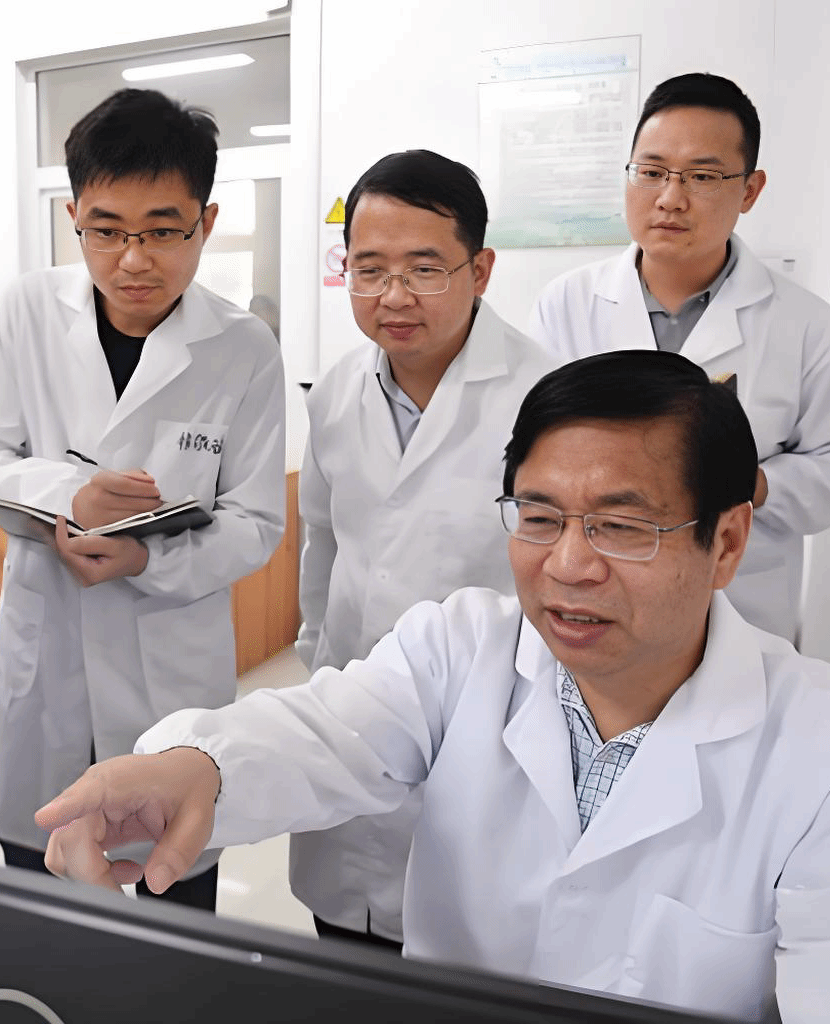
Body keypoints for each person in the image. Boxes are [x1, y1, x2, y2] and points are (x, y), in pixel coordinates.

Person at [36, 350, 830, 1022]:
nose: (568, 566)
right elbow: (324, 732)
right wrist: (193, 766)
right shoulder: (462, 646)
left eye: (621, 527)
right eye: (540, 516)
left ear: (725, 541)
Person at [0, 88, 285, 911]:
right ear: (74, 218)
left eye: (163, 231)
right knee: (39, 899)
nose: (133, 260)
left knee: (175, 891)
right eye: (106, 230)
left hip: (170, 665)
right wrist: (69, 496)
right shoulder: (28, 312)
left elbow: (256, 523)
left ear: (206, 223)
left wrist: (144, 559)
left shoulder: (243, 348)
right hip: (46, 652)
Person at [292, 149, 555, 950]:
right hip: (351, 709)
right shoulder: (334, 392)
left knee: (461, 952)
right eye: (368, 269)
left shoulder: (546, 397)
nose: (393, 295)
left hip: (489, 723)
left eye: (425, 269)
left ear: (481, 270)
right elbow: (323, 542)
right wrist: (317, 656)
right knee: (343, 947)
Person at [528, 72, 830, 642]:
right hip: (593, 589)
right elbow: (532, 446)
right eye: (651, 172)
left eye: (703, 176)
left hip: (742, 607)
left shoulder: (810, 328)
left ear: (750, 190)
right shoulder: (566, 305)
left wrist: (751, 484)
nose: (670, 197)